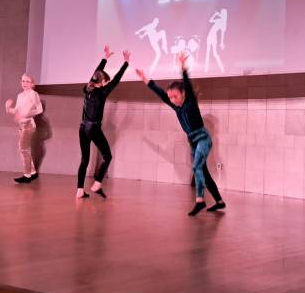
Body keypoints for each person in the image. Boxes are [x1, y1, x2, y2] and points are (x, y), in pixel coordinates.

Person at [136, 51, 226, 216]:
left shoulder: (190, 102)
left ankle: (200, 201)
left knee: (196, 167)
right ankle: (219, 201)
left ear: (183, 94)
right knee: (203, 172)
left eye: (175, 96)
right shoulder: (176, 107)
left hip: (203, 139)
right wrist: (146, 81)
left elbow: (187, 84)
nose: (172, 100)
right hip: (193, 141)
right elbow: (162, 95)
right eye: (170, 98)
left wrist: (183, 67)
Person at [77, 45, 129, 199]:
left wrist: (105, 58)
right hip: (93, 128)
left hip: (82, 127)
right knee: (107, 157)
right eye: (107, 81)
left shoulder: (87, 89)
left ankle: (79, 190)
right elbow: (117, 79)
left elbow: (95, 74)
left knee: (84, 160)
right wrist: (126, 63)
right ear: (102, 82)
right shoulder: (102, 91)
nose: (108, 83)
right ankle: (97, 184)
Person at [4, 74, 44, 183]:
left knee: (23, 148)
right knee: (25, 149)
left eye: (27, 81)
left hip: (29, 125)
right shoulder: (20, 96)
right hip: (21, 125)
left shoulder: (33, 94)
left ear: (32, 84)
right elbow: (17, 111)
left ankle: (27, 175)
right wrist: (8, 108)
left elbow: (39, 109)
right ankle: (33, 172)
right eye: (23, 81)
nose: (24, 83)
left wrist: (28, 114)